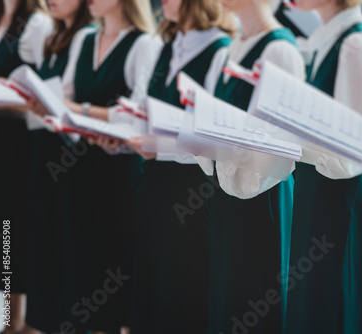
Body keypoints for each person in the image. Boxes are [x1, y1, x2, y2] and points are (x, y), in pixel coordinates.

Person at [121, 0, 233, 332]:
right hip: (154, 186)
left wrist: (161, 147)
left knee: (181, 295)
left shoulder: (220, 51)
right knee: (151, 289)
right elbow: (146, 110)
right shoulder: (169, 46)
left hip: (191, 194)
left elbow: (213, 137)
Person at [193, 0, 304, 333]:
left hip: (262, 194)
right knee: (228, 300)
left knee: (257, 300)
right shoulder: (234, 46)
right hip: (226, 193)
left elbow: (280, 146)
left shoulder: (281, 50)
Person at [282, 1, 362, 334]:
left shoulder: (358, 43)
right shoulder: (327, 39)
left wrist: (290, 132)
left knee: (336, 309)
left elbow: (360, 150)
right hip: (317, 193)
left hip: (344, 201)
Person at [58, 0, 157, 332]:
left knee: (117, 262)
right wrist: (80, 115)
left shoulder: (144, 43)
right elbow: (63, 99)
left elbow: (139, 112)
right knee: (83, 260)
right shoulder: (84, 38)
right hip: (81, 168)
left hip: (121, 176)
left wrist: (81, 110)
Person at [23, 1, 92, 333]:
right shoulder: (54, 35)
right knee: (41, 235)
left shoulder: (85, 37)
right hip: (41, 145)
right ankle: (38, 322)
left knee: (66, 240)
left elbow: (72, 102)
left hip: (66, 153)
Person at [0, 1, 52, 333]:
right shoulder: (1, 17)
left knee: (11, 233)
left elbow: (47, 96)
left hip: (19, 147)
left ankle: (20, 322)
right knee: (1, 233)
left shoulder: (37, 24)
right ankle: (10, 320)